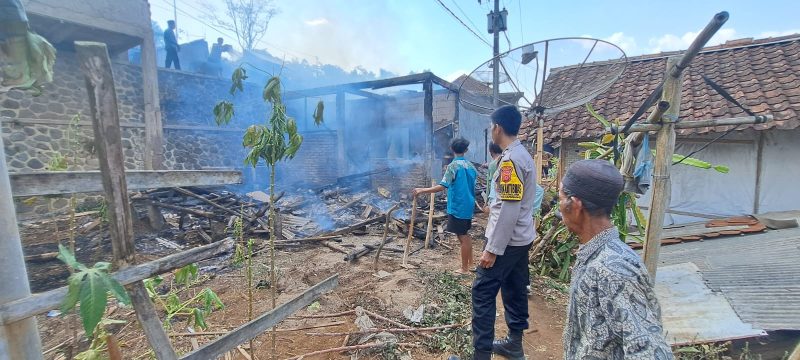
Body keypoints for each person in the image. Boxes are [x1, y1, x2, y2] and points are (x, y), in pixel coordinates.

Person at [559, 159, 673, 360]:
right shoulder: (595, 254)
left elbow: (652, 353)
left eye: (559, 199)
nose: (558, 208)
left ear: (575, 205)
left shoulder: (612, 270)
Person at [450, 105, 537, 360]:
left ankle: (481, 355)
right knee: (514, 287)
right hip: (521, 238)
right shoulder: (522, 155)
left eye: (491, 126)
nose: (491, 130)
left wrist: (492, 249)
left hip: (506, 242)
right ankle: (514, 343)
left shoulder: (510, 161)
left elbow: (508, 208)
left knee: (482, 292)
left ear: (497, 127)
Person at [412, 138, 477, 274]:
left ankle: (464, 268)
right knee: (465, 234)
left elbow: (442, 186)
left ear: (452, 149)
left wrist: (422, 190)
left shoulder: (453, 167)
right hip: (468, 205)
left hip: (458, 206)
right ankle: (470, 264)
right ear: (466, 150)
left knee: (462, 237)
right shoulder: (471, 166)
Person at [482, 142, 503, 213]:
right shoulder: (505, 160)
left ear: (491, 152)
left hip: (495, 197)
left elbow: (489, 184)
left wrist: (486, 202)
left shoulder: (492, 165)